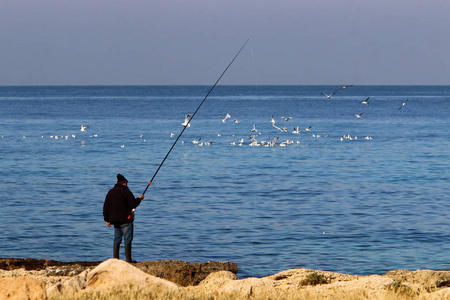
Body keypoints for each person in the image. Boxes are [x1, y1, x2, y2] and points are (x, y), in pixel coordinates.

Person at [103, 174, 144, 263]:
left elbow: (106, 206)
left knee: (117, 239)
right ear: (124, 183)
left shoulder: (111, 192)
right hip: (126, 220)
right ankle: (128, 259)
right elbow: (133, 204)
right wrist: (140, 199)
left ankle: (115, 259)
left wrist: (107, 220)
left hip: (114, 220)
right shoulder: (126, 191)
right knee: (128, 238)